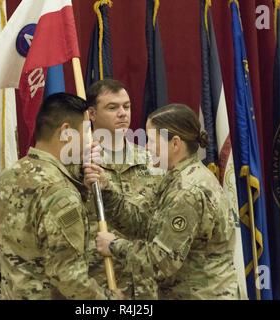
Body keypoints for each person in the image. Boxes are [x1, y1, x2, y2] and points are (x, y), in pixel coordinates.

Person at [86, 104, 239, 299]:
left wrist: (114, 245)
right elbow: (144, 223)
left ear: (175, 144)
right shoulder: (176, 178)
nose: (146, 147)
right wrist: (105, 188)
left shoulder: (188, 190)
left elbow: (162, 261)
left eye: (151, 140)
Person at [0, 93, 121, 300]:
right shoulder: (60, 193)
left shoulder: (6, 177)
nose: (91, 141)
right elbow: (67, 275)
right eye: (86, 132)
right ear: (67, 133)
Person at [74, 79, 163, 299]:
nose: (123, 113)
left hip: (144, 281)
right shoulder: (77, 161)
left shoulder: (148, 158)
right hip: (99, 280)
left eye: (127, 106)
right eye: (112, 107)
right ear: (92, 114)